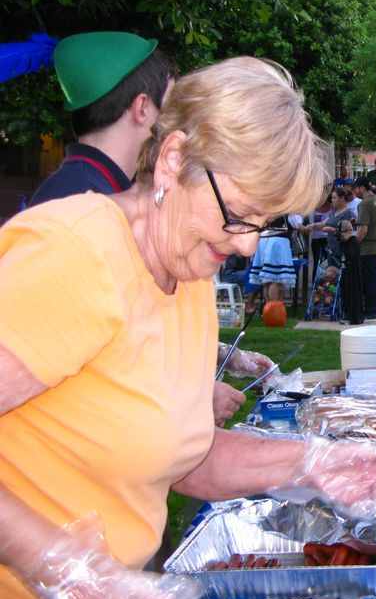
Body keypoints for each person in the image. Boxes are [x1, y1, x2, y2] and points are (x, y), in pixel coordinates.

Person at [0, 57, 376, 599]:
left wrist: (309, 461)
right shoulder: (74, 252)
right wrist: (57, 564)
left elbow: (183, 457)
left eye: (263, 225)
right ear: (173, 161)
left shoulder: (186, 277)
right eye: (239, 216)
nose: (246, 248)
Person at [28, 30, 253, 426]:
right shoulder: (77, 206)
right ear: (141, 108)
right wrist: (188, 401)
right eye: (170, 103)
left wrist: (219, 354)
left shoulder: (117, 190)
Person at [30, 31, 176, 207]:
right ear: (142, 107)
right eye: (169, 107)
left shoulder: (82, 187)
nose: (174, 123)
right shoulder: (85, 201)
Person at [352, 176, 376, 321]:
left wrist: (353, 243)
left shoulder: (365, 204)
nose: (356, 192)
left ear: (362, 188)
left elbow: (363, 230)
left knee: (367, 280)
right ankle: (371, 309)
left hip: (368, 247)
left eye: (356, 189)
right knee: (372, 278)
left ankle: (371, 310)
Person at [335, 219, 365, 325]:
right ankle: (347, 313)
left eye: (342, 233)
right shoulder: (347, 242)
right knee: (346, 293)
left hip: (353, 272)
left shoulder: (353, 241)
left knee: (353, 294)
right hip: (347, 270)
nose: (341, 236)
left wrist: (343, 247)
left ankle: (354, 317)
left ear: (348, 231)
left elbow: (352, 255)